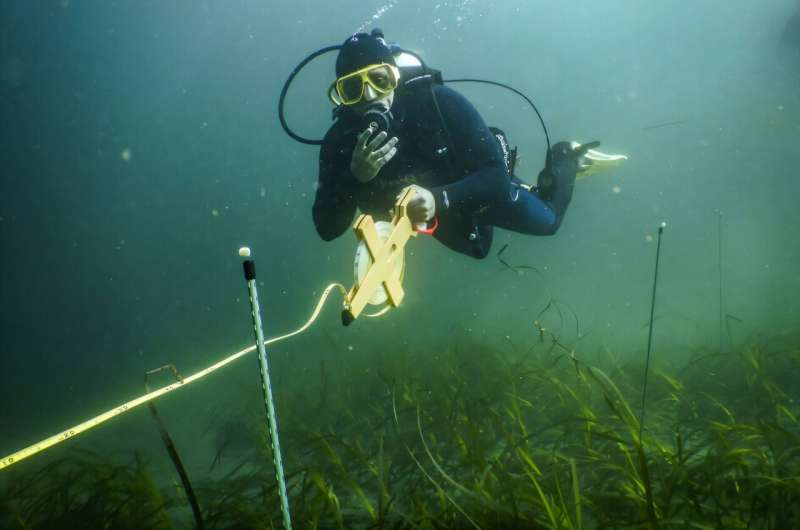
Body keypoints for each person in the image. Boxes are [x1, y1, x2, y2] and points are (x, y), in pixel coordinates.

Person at [312, 29, 590, 259]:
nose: (370, 95)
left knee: (548, 223)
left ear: (394, 77)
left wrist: (437, 199)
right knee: (479, 250)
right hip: (437, 212)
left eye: (379, 79)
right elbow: (327, 229)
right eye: (352, 89)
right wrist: (354, 177)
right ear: (341, 97)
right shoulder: (340, 141)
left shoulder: (437, 103)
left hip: (473, 183)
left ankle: (566, 156)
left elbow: (495, 178)